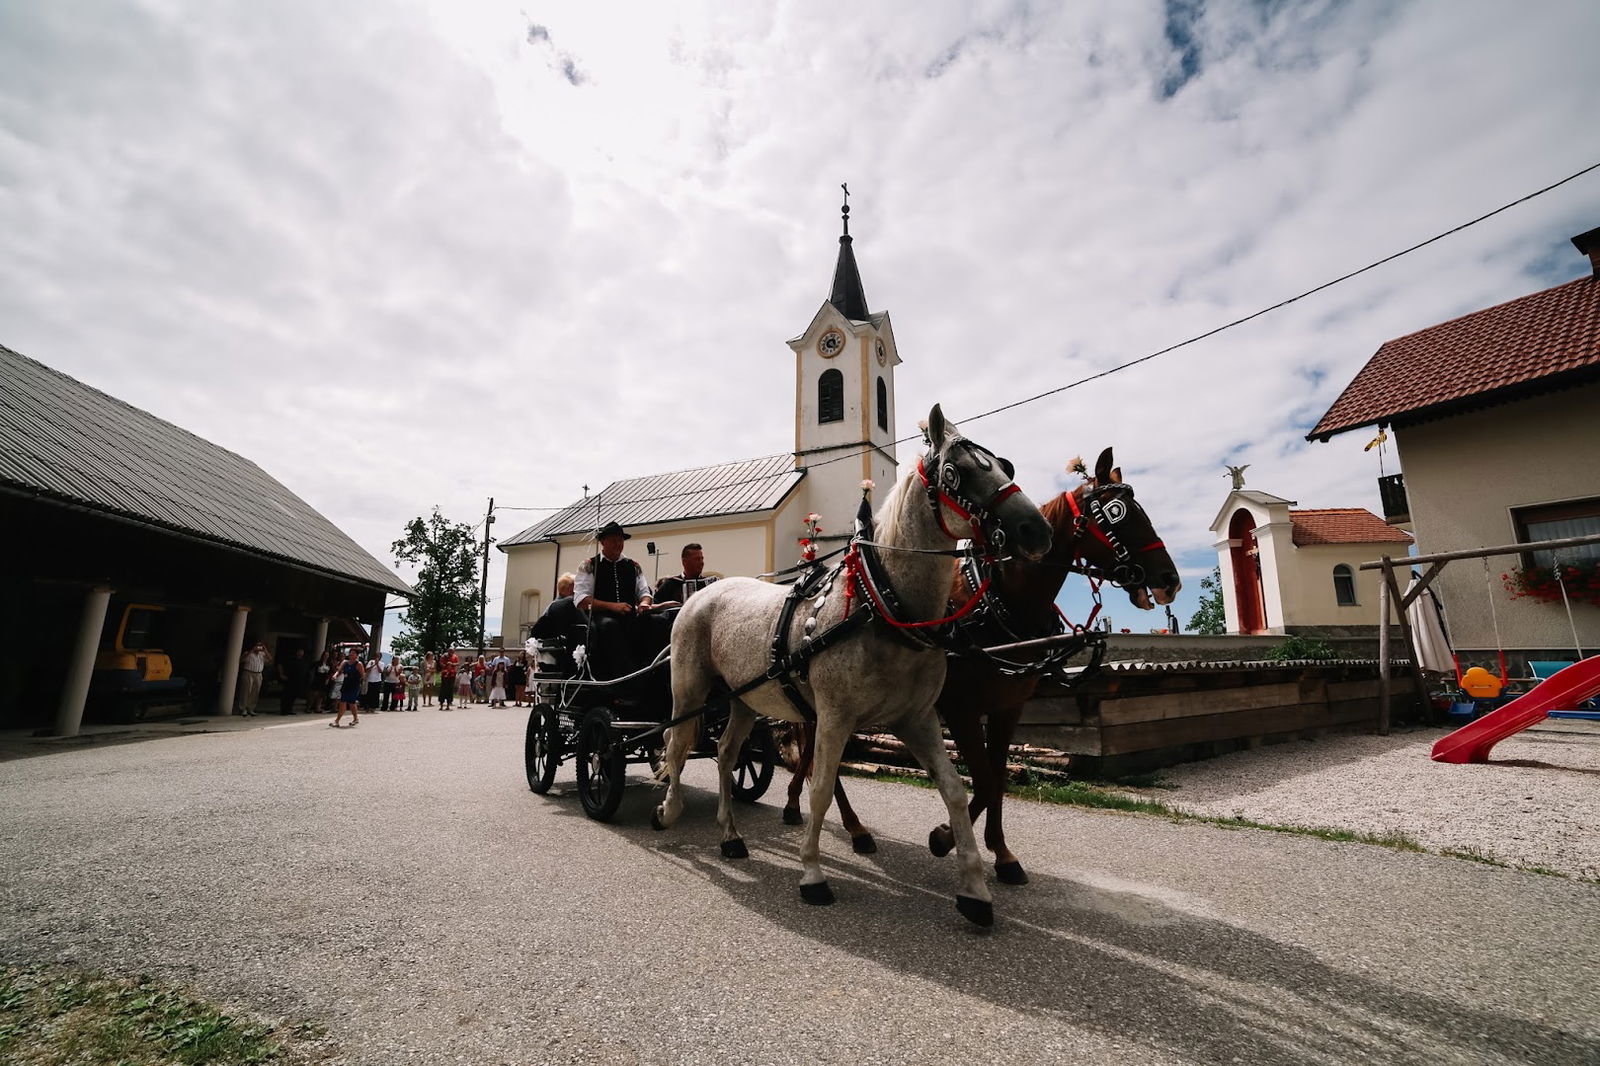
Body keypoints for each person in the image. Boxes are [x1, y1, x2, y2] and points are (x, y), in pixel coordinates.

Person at [574, 521, 655, 685]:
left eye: (620, 540)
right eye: (613, 540)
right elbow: (581, 600)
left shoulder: (633, 566)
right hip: (599, 619)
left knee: (654, 622)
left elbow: (644, 592)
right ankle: (626, 679)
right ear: (602, 542)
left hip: (629, 616)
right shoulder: (589, 565)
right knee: (611, 626)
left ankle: (653, 670)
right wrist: (612, 606)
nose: (617, 544)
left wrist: (644, 603)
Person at [652, 543, 718, 607]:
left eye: (702, 558)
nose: (701, 562)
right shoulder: (671, 584)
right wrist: (665, 606)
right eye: (697, 559)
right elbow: (654, 606)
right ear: (684, 561)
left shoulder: (709, 585)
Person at [236, 640, 272, 716]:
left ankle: (251, 708)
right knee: (246, 691)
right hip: (248, 673)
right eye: (258, 646)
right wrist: (252, 650)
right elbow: (242, 660)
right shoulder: (248, 653)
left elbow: (270, 659)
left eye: (260, 646)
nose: (259, 648)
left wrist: (265, 650)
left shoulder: (262, 654)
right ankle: (243, 708)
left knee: (255, 692)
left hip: (258, 674)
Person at [332, 649, 363, 727]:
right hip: (346, 684)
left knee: (351, 703)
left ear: (356, 655)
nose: (351, 655)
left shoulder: (358, 664)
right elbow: (339, 671)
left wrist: (359, 683)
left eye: (353, 653)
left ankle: (355, 718)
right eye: (350, 653)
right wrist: (335, 675)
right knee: (343, 701)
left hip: (354, 685)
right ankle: (337, 721)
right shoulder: (345, 662)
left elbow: (362, 675)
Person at [277, 647, 311, 715]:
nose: (300, 653)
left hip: (298, 681)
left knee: (293, 696)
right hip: (289, 680)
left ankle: (289, 709)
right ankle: (283, 710)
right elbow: (280, 665)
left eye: (302, 652)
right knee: (286, 695)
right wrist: (281, 674)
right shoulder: (290, 659)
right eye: (299, 651)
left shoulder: (304, 661)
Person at [307, 651, 331, 715]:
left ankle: (317, 708)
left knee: (321, 694)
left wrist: (328, 679)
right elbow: (310, 669)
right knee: (314, 694)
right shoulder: (317, 663)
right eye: (325, 655)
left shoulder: (329, 664)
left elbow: (329, 673)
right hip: (317, 679)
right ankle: (308, 707)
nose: (326, 656)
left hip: (324, 679)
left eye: (327, 655)